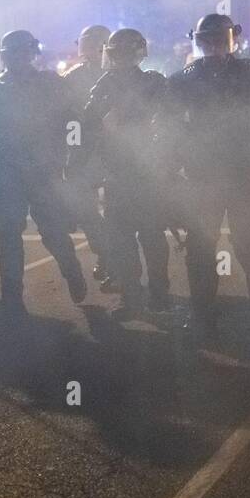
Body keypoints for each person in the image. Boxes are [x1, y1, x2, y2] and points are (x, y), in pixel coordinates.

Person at [167, 14, 250, 340]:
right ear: (198, 41)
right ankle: (204, 312)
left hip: (243, 173)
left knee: (248, 243)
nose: (215, 48)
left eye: (220, 40)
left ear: (232, 39)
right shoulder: (181, 81)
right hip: (202, 175)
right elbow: (168, 131)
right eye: (208, 41)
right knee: (202, 248)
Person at [0, 30, 88, 318]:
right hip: (9, 173)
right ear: (5, 56)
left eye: (22, 52)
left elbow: (73, 120)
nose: (18, 58)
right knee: (8, 236)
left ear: (31, 54)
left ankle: (72, 271)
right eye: (12, 53)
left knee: (53, 232)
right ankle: (12, 296)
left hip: (44, 170)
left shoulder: (51, 84)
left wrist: (71, 155)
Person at [73, 28, 173, 320]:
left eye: (123, 54)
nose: (119, 60)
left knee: (143, 237)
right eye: (116, 54)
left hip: (141, 173)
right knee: (132, 239)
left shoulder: (148, 83)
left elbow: (169, 123)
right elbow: (89, 128)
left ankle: (150, 296)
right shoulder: (108, 85)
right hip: (124, 175)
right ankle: (143, 296)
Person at [61, 24, 112, 284]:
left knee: (117, 210)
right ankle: (106, 253)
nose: (89, 51)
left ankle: (119, 262)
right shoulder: (72, 78)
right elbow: (64, 116)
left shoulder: (119, 74)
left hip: (117, 151)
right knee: (86, 209)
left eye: (94, 45)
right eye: (87, 45)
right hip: (85, 151)